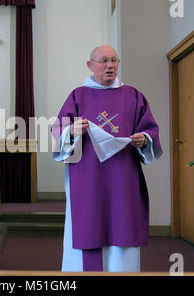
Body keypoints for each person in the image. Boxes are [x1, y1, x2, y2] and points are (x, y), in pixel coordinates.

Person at [52, 45, 162, 272]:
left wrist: (144, 139)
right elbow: (58, 131)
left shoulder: (133, 95)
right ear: (90, 65)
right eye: (103, 61)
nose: (110, 65)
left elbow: (150, 131)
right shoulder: (78, 95)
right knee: (87, 225)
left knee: (123, 225)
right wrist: (71, 131)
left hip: (123, 177)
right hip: (87, 176)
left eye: (113, 60)